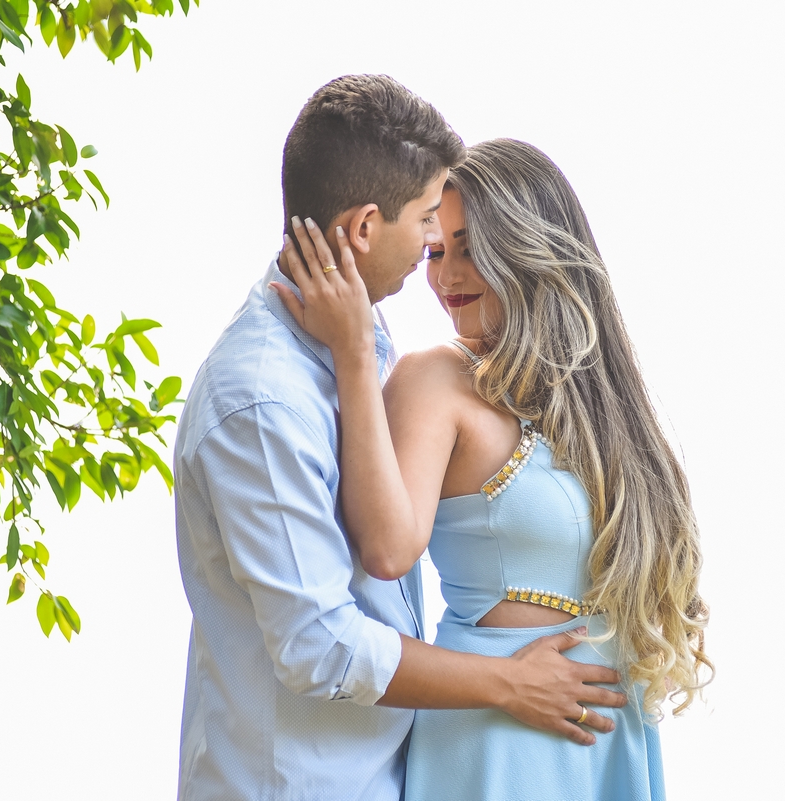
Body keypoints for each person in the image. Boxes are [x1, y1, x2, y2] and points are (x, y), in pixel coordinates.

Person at [174, 78, 626, 801]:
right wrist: (508, 682)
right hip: (297, 784)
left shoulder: (360, 336)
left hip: (385, 773)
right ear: (363, 227)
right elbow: (320, 646)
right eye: (425, 223)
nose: (430, 253)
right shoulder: (261, 400)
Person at [274, 137, 712, 800]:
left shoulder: (603, 406)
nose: (446, 276)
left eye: (471, 248)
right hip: (500, 734)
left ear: (529, 247)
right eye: (436, 251)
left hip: (606, 737)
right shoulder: (436, 379)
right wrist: (356, 354)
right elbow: (389, 547)